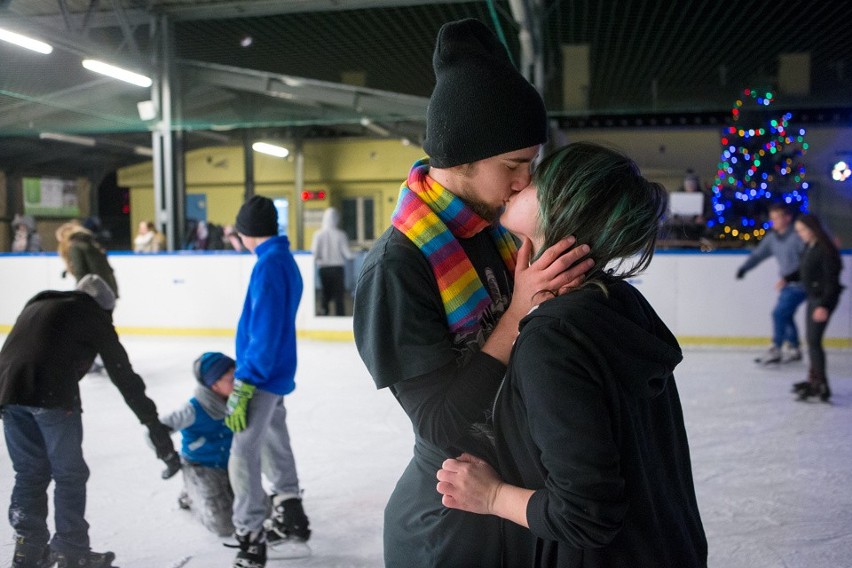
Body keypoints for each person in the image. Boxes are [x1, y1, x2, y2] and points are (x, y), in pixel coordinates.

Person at [352, 19, 594, 568]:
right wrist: (518, 313)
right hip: (450, 527)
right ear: (461, 159)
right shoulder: (397, 268)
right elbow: (440, 423)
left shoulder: (498, 232)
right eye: (513, 166)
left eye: (529, 165)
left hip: (514, 501)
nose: (524, 182)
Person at [436, 142, 708, 567]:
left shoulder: (555, 339)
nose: (520, 183)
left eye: (536, 181)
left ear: (561, 209)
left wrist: (491, 495)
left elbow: (586, 515)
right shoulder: (617, 304)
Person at [0, 274, 177, 568]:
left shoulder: (39, 304)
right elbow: (124, 375)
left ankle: (28, 550)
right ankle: (72, 551)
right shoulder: (93, 315)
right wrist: (155, 427)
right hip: (52, 394)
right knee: (69, 473)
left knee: (29, 472)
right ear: (105, 307)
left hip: (7, 391)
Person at [226, 195, 311, 568]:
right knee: (275, 441)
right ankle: (291, 514)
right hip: (274, 372)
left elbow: (265, 328)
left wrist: (245, 380)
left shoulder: (269, 265)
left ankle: (250, 537)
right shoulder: (280, 260)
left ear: (246, 232)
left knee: (243, 452)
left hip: (262, 375)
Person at [157, 352, 236, 536]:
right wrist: (169, 457)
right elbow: (154, 432)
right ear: (214, 384)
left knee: (262, 512)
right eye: (232, 379)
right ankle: (192, 493)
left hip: (231, 464)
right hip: (202, 467)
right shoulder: (193, 409)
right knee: (224, 527)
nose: (238, 382)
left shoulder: (236, 401)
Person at [735, 202, 806, 364]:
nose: (774, 222)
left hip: (802, 283)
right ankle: (794, 348)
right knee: (785, 315)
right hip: (789, 284)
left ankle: (776, 347)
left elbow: (808, 261)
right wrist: (744, 268)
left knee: (779, 314)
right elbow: (758, 255)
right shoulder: (773, 238)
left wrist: (790, 278)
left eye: (777, 218)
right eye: (772, 218)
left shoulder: (798, 236)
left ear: (787, 218)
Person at [784, 214, 844, 402]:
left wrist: (823, 305)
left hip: (822, 300)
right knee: (812, 342)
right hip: (815, 298)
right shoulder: (811, 247)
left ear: (812, 229)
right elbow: (804, 270)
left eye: (802, 230)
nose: (799, 234)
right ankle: (814, 380)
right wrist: (786, 279)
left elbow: (832, 281)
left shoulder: (825, 250)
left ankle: (822, 385)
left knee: (814, 342)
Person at [56, 221, 119, 298]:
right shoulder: (91, 243)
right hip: (107, 288)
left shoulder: (75, 247)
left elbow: (80, 271)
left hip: (94, 292)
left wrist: (79, 294)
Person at [311, 207, 353, 315]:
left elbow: (314, 254)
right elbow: (348, 254)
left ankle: (325, 313)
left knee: (325, 294)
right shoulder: (341, 235)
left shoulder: (318, 235)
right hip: (338, 269)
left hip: (323, 269)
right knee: (339, 296)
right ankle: (340, 316)